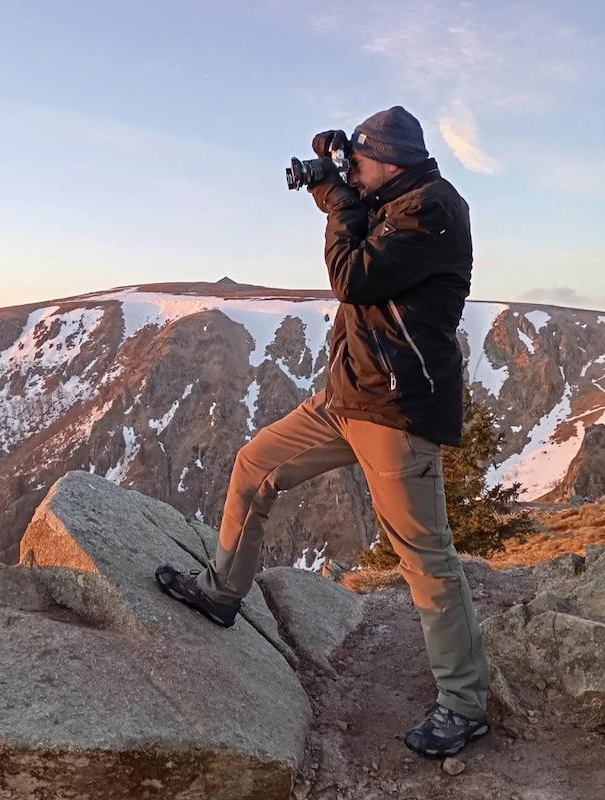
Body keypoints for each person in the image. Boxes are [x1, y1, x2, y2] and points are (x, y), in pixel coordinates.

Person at [156, 106, 490, 757]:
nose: (353, 175)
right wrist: (338, 184)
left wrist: (338, 200)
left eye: (360, 163)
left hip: (396, 412)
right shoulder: (397, 198)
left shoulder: (432, 209)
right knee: (255, 467)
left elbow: (354, 276)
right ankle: (224, 592)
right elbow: (365, 239)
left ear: (388, 160)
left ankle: (464, 703)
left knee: (424, 557)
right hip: (348, 399)